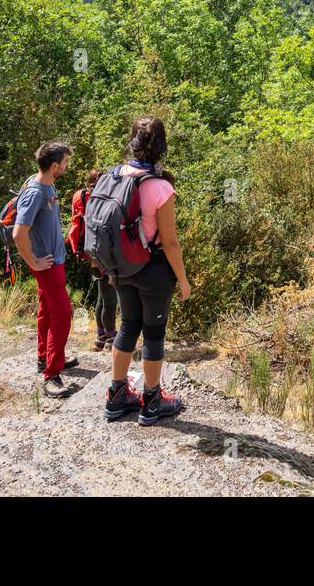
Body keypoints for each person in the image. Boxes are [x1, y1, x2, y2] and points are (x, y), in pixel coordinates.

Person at [103, 117, 193, 425]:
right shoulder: (159, 186)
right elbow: (169, 242)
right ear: (162, 147)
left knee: (128, 326)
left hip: (121, 267)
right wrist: (183, 280)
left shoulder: (115, 175)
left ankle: (117, 396)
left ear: (132, 143)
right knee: (154, 333)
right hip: (153, 270)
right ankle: (152, 400)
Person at [14, 139, 79, 399]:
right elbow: (19, 233)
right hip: (47, 265)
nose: (67, 166)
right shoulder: (36, 191)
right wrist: (33, 261)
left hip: (54, 262)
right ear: (54, 166)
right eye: (65, 162)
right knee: (63, 314)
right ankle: (52, 374)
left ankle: (45, 357)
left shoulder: (45, 183)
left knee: (47, 312)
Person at [67, 167, 117, 351]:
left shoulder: (80, 196)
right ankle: (111, 338)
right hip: (104, 254)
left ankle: (100, 336)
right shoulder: (104, 200)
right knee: (110, 298)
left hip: (89, 252)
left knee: (102, 297)